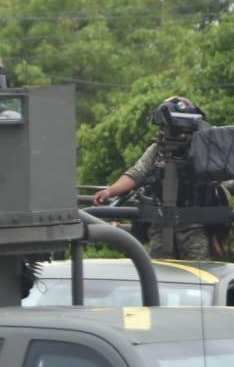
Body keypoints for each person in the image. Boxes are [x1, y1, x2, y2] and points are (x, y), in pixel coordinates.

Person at [92, 95, 226, 260]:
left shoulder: (202, 150)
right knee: (160, 269)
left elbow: (222, 175)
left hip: (194, 225)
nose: (164, 131)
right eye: (163, 127)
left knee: (198, 271)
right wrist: (110, 191)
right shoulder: (158, 150)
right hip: (160, 224)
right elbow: (137, 173)